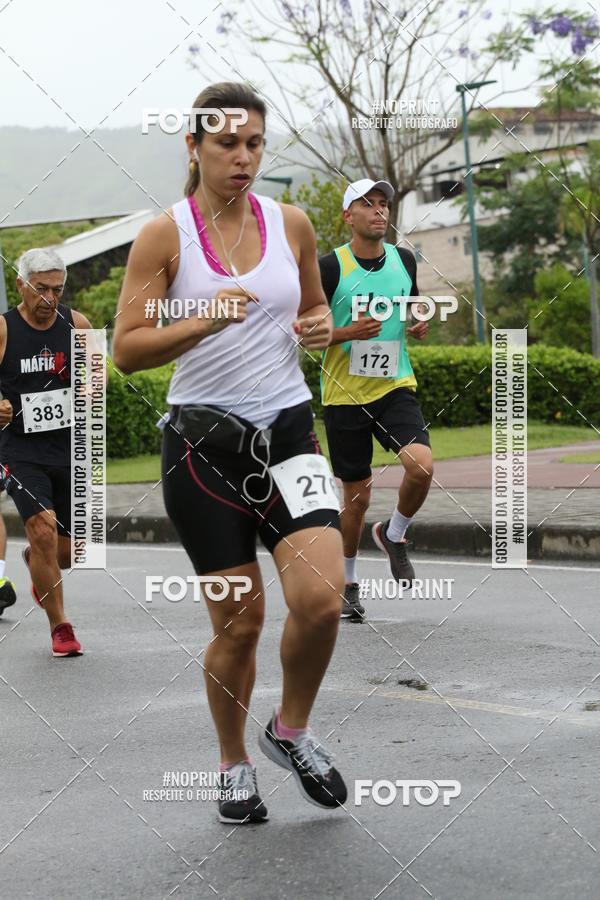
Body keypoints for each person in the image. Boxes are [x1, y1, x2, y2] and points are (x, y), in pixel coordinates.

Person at [112, 81, 348, 825]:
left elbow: (312, 307)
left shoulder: (293, 223)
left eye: (253, 144)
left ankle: (290, 731)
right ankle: (231, 762)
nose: (242, 158)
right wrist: (202, 320)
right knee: (239, 625)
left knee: (321, 600)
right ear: (194, 147)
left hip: (288, 433)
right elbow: (126, 349)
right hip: (202, 450)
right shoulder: (165, 236)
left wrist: (318, 328)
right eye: (226, 144)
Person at [319, 179, 433, 621]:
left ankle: (395, 534)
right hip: (344, 396)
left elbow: (413, 308)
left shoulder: (404, 259)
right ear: (348, 216)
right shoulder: (331, 267)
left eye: (384, 204)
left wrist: (418, 322)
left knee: (421, 465)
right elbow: (304, 333)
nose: (379, 211)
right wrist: (348, 332)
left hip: (394, 387)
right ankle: (347, 584)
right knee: (357, 499)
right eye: (368, 205)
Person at [0, 247, 93, 656]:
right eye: (40, 289)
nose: (49, 299)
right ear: (21, 285)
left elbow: (96, 382)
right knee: (41, 526)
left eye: (57, 289)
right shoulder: (3, 330)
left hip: (68, 446)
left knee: (69, 553)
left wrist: (87, 391)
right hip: (20, 448)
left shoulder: (78, 324)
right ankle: (61, 627)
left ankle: (36, 559)